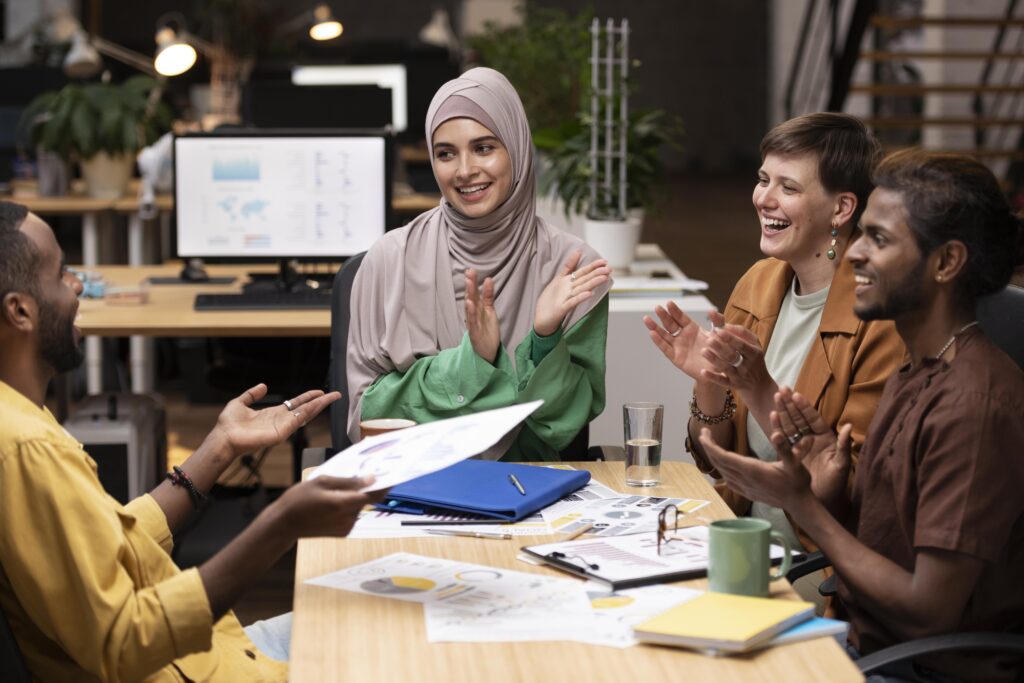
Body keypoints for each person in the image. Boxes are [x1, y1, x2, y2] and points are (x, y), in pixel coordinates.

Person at [0, 202, 382, 681]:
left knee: (390, 616)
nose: (78, 286)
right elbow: (126, 644)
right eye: (61, 275)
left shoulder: (18, 420)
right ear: (19, 311)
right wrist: (280, 523)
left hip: (216, 654)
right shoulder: (30, 449)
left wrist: (219, 447)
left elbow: (111, 545)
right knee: (412, 642)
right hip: (192, 670)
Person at [700, 150, 1024, 683]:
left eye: (879, 239)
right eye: (861, 235)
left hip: (918, 671)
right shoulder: (917, 368)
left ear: (945, 263)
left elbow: (928, 612)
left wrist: (802, 505)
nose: (853, 256)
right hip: (857, 643)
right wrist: (830, 485)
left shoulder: (975, 408)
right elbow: (889, 538)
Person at [644, 113, 905, 559]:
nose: (764, 198)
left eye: (789, 187)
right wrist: (710, 381)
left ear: (841, 210)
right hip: (742, 540)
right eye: (763, 179)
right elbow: (712, 459)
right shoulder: (758, 283)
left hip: (820, 569)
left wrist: (756, 386)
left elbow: (851, 497)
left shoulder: (881, 322)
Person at [346, 67, 612, 460]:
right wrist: (472, 363)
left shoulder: (571, 269)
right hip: (412, 488)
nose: (465, 170)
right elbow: (364, 417)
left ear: (517, 149)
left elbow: (562, 426)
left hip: (529, 497)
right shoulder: (389, 260)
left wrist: (544, 337)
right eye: (446, 154)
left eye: (484, 148)